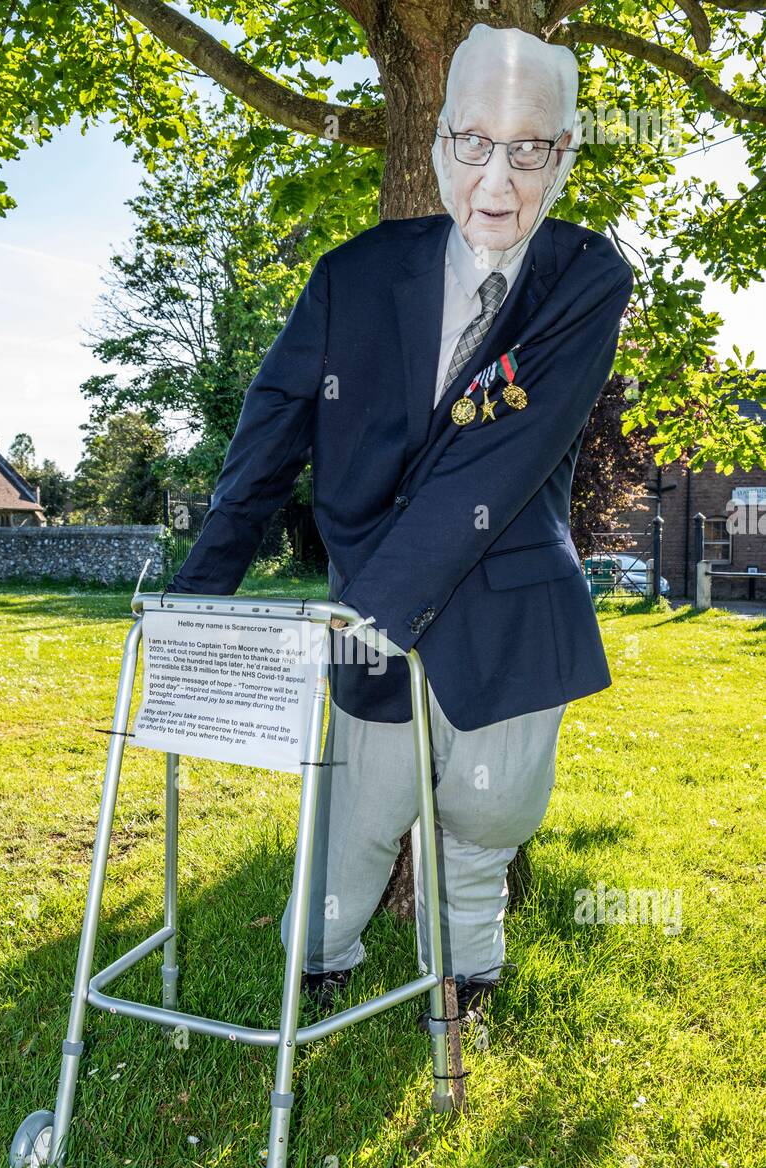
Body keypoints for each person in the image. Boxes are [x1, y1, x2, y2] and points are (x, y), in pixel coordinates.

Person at [167, 24, 634, 1032]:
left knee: (485, 818)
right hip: (372, 604)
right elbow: (268, 438)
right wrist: (193, 605)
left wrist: (367, 611)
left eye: (530, 149)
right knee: (358, 817)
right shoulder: (353, 275)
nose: (498, 184)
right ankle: (317, 966)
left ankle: (467, 980)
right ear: (436, 146)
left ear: (564, 157)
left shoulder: (589, 280)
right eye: (474, 142)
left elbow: (496, 461)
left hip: (510, 616)